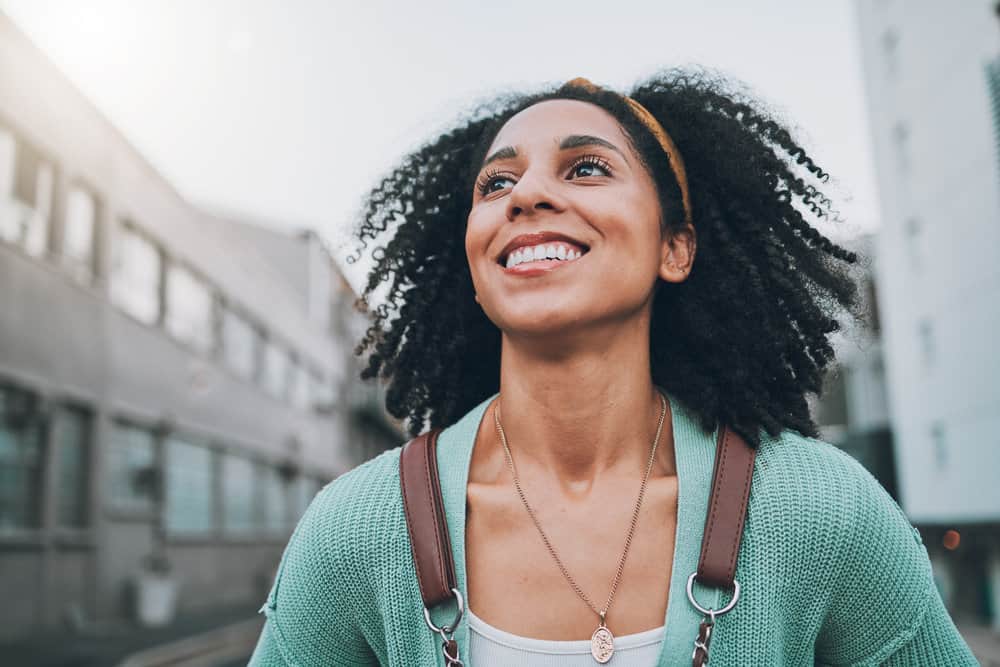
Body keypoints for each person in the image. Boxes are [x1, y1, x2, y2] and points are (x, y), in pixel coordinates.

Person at [248, 71, 978, 665]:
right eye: (495, 185)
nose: (526, 195)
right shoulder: (355, 530)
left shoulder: (823, 511)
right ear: (475, 267)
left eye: (587, 167)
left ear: (676, 249)